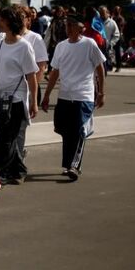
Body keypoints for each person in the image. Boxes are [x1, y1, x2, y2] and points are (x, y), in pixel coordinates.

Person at [41, 13, 106, 180]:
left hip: (83, 95)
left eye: (72, 25)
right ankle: (68, 164)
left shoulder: (89, 44)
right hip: (64, 95)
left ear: (81, 27)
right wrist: (47, 95)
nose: (68, 28)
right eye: (67, 25)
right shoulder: (61, 46)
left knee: (79, 131)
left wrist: (101, 92)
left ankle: (74, 166)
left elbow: (100, 69)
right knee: (65, 131)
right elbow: (55, 72)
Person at [0, 7, 39, 185]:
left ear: (10, 21)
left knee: (6, 138)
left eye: (1, 19)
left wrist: (33, 102)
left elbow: (31, 76)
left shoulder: (24, 46)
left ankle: (0, 172)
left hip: (16, 99)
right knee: (5, 136)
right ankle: (17, 170)